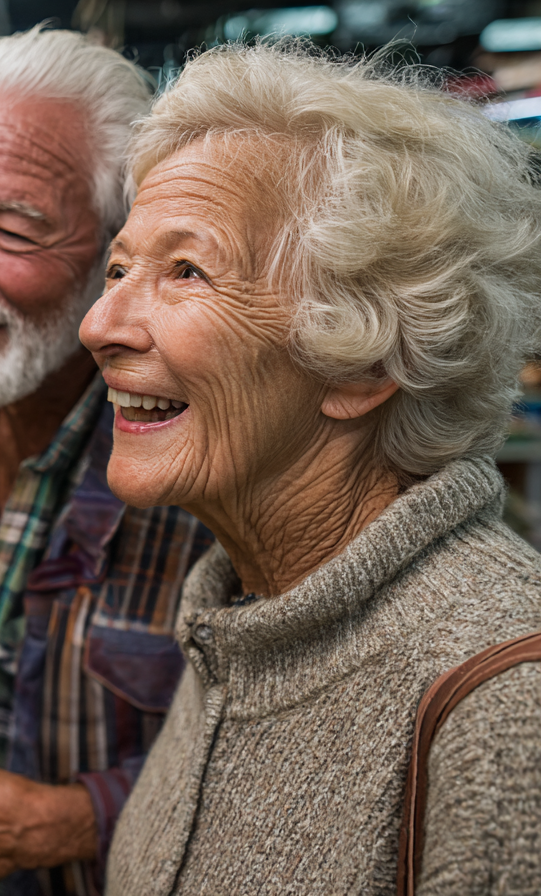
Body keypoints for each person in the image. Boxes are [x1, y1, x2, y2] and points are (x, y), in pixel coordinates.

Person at [85, 43, 541, 894]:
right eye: (118, 268)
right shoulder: (245, 620)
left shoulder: (506, 712)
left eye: (187, 271)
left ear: (363, 363)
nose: (100, 324)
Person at [0, 29, 214, 896]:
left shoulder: (207, 474)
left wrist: (62, 822)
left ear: (117, 252)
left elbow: (296, 764)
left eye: (13, 227)